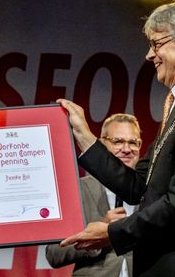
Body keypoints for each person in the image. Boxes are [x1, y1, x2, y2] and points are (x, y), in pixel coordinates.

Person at [56, 0, 175, 276]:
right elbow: (138, 186)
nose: (149, 54)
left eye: (157, 43)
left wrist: (112, 233)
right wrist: (85, 137)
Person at [46, 113, 142, 276]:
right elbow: (54, 254)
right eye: (117, 141)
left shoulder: (152, 191)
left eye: (133, 142)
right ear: (102, 144)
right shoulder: (78, 190)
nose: (126, 149)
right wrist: (96, 238)